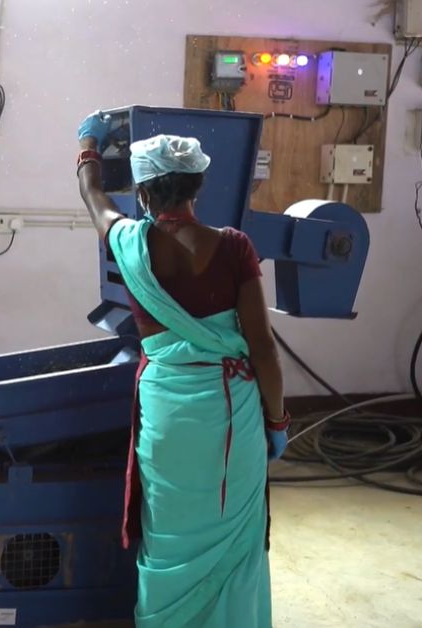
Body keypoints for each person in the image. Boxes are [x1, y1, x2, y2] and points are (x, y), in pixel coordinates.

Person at [75, 112, 290, 627]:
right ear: (198, 184)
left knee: (167, 534)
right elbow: (262, 347)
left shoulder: (127, 242)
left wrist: (88, 142)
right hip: (229, 417)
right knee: (232, 542)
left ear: (144, 191)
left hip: (166, 413)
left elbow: (92, 195)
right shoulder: (234, 247)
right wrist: (277, 423)